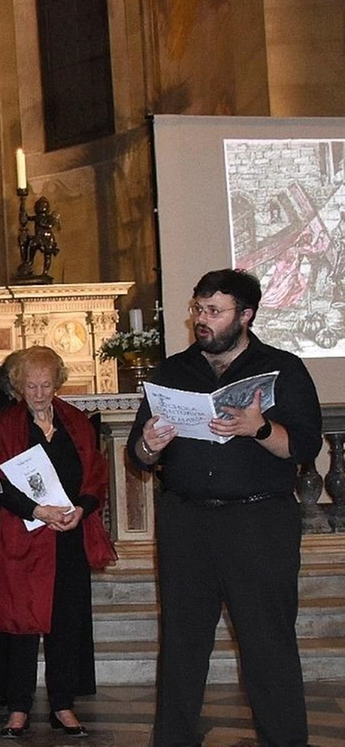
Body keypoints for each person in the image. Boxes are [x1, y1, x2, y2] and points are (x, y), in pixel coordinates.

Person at [129, 269, 320, 747]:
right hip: (186, 521)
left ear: (246, 315)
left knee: (268, 646)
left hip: (258, 522)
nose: (202, 320)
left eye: (215, 311)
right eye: (199, 308)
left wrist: (257, 428)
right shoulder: (172, 371)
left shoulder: (284, 368)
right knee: (181, 646)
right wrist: (150, 445)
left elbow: (303, 447)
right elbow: (139, 454)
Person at [0, 347, 113, 737]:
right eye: (31, 386)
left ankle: (63, 703)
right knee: (23, 623)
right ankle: (19, 707)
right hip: (25, 535)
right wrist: (36, 511)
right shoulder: (5, 424)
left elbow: (95, 473)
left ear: (57, 383)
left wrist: (82, 508)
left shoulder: (76, 421)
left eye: (46, 385)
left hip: (67, 536)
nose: (40, 393)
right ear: (18, 385)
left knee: (66, 621)